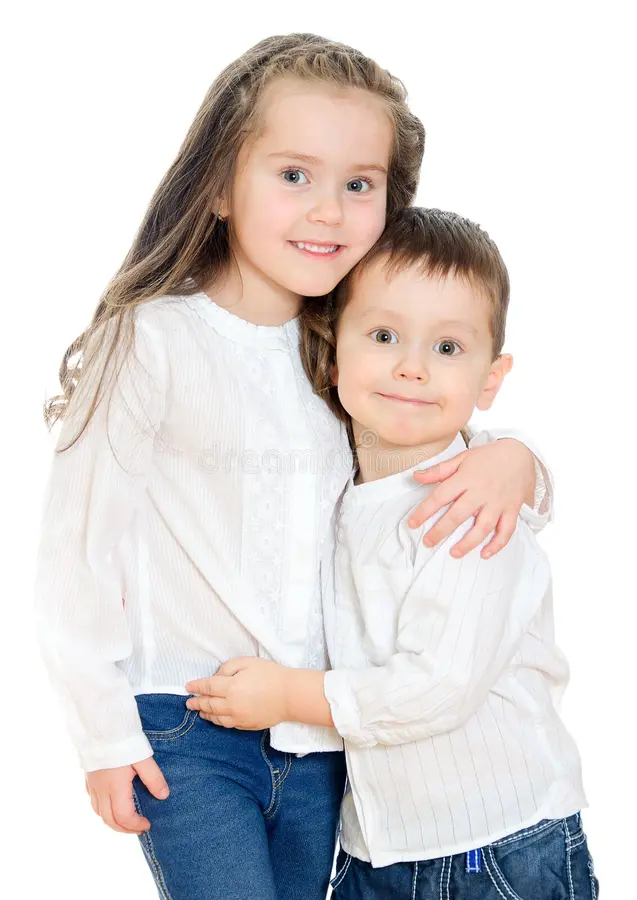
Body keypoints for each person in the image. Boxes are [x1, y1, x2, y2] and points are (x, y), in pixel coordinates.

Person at [36, 32, 551, 900]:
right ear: (218, 186)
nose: (328, 212)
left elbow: (435, 461)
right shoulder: (153, 340)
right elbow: (75, 555)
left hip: (325, 739)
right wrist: (103, 735)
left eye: (358, 185)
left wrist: (520, 461)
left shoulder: (350, 353)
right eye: (293, 175)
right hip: (187, 720)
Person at [186, 208, 597, 899]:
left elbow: (438, 688)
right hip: (376, 848)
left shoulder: (467, 505)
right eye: (383, 336)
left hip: (494, 844)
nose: (412, 367)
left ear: (490, 379)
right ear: (331, 352)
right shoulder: (335, 486)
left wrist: (287, 695)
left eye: (447, 347)